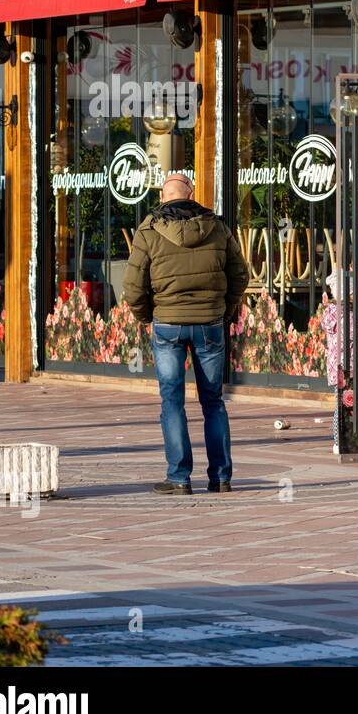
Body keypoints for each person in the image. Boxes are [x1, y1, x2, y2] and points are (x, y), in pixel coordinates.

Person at [124, 172, 248, 495]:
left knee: (172, 401)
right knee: (213, 402)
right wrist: (226, 308)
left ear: (164, 197)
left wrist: (146, 315)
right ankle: (221, 477)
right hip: (210, 323)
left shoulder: (148, 230)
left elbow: (133, 286)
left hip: (168, 324)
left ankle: (179, 477)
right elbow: (240, 274)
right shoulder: (217, 227)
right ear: (191, 195)